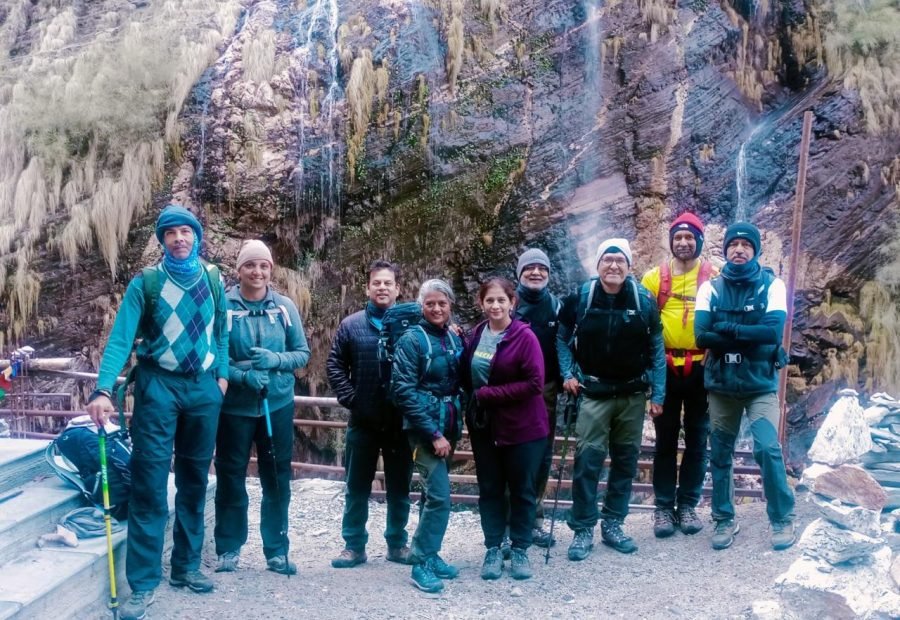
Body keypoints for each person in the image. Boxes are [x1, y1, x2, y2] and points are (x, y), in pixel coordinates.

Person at [86, 204, 228, 620]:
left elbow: (222, 331)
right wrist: (103, 389)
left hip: (202, 389)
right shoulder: (145, 283)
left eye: (186, 231)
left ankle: (186, 566)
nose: (179, 239)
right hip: (157, 386)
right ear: (162, 240)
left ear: (196, 236)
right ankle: (144, 584)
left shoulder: (214, 278)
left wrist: (220, 378)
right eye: (171, 233)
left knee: (194, 478)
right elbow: (120, 339)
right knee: (149, 482)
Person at [557, 238, 665, 561]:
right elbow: (561, 338)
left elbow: (657, 349)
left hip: (632, 394)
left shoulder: (644, 300)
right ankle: (583, 527)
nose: (614, 265)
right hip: (593, 392)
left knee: (625, 462)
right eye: (608, 259)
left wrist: (658, 394)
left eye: (620, 260)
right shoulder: (581, 297)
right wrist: (567, 373)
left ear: (630, 267)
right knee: (587, 462)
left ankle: (613, 523)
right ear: (598, 264)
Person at [695, 222, 796, 551]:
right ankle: (724, 518)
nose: (739, 249)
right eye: (733, 244)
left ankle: (782, 517)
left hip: (759, 383)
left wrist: (726, 328)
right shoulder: (710, 288)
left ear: (755, 250)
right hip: (721, 384)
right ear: (725, 249)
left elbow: (772, 333)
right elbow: (701, 337)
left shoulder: (773, 285)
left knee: (767, 448)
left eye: (746, 245)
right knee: (720, 452)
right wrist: (748, 335)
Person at [213, 240, 310, 575]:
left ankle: (277, 550)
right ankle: (228, 547)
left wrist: (275, 360)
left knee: (277, 478)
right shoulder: (223, 307)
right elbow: (213, 356)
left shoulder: (284, 307)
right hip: (234, 408)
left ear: (271, 270)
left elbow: (302, 353)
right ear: (239, 270)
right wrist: (242, 376)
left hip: (276, 403)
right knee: (230, 476)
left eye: (263, 266)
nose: (257, 272)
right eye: (250, 265)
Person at [326, 260, 413, 568]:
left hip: (401, 420)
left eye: (388, 283)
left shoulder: (412, 325)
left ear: (398, 289)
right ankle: (354, 546)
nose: (382, 287)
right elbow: (334, 364)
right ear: (367, 288)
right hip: (363, 420)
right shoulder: (351, 325)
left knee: (400, 486)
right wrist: (352, 399)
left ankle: (397, 544)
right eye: (377, 282)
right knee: (356, 486)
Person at [461, 277, 547, 581]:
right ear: (481, 303)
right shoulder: (476, 335)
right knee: (490, 488)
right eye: (490, 300)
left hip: (523, 428)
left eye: (501, 300)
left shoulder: (525, 337)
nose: (495, 305)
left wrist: (488, 395)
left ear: (512, 302)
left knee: (522, 489)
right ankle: (494, 547)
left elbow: (535, 383)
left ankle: (520, 548)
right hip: (485, 427)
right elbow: (465, 373)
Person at [640, 213, 714, 538]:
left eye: (689, 237)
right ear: (671, 242)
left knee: (698, 439)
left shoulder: (714, 278)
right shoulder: (654, 278)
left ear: (699, 241)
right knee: (665, 440)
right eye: (678, 237)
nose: (683, 243)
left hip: (702, 368)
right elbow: (643, 326)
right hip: (665, 368)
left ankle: (688, 504)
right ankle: (663, 507)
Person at [391, 279, 464, 593]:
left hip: (448, 423)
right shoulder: (412, 340)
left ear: (450, 306)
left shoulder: (452, 336)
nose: (436, 309)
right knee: (440, 496)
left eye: (442, 303)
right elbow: (403, 391)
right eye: (430, 303)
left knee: (430, 495)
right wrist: (433, 433)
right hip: (424, 431)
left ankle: (430, 554)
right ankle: (420, 562)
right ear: (421, 306)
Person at [514, 248, 561, 548]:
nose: (536, 272)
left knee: (542, 455)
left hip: (547, 390)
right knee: (512, 455)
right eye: (529, 268)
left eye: (541, 268)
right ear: (519, 273)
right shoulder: (506, 303)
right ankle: (509, 522)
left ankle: (535, 520)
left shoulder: (557, 306)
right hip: (513, 391)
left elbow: (567, 345)